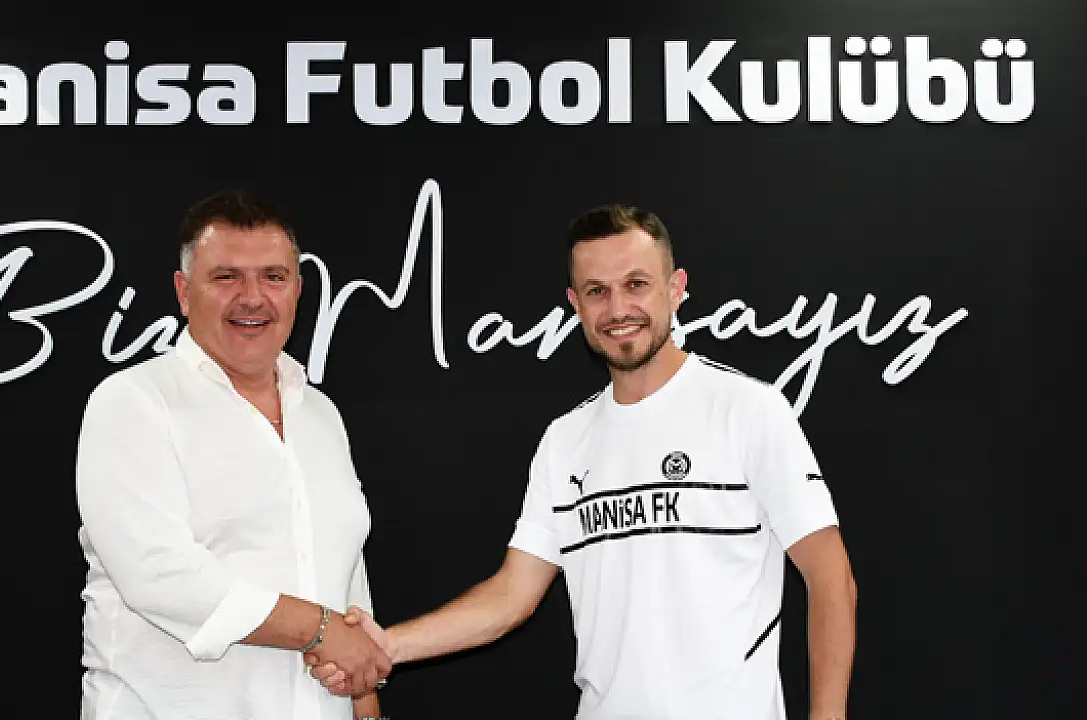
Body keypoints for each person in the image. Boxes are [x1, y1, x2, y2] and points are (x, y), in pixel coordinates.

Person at [307, 204, 857, 719]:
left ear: (676, 288)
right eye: (598, 291)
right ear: (575, 303)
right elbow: (512, 595)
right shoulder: (566, 440)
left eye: (636, 285)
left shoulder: (748, 409)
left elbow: (830, 578)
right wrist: (387, 646)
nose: (617, 310)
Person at [74, 188, 390, 720]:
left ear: (297, 290)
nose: (253, 298)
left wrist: (365, 698)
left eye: (273, 277)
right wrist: (319, 628)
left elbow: (345, 579)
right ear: (183, 292)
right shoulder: (133, 402)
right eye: (226, 277)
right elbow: (158, 573)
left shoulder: (320, 415)